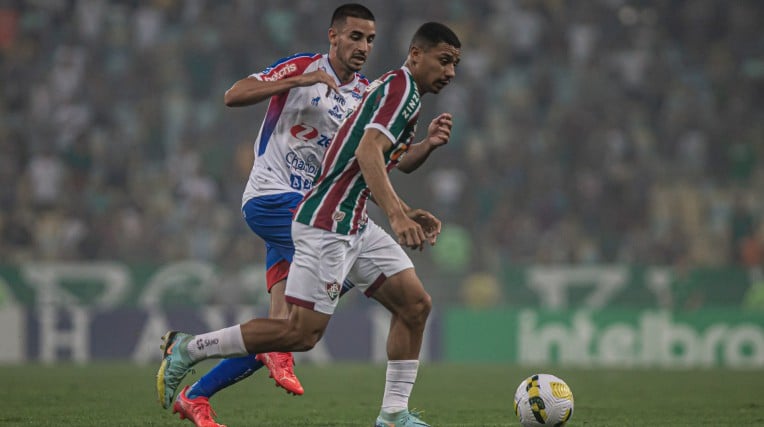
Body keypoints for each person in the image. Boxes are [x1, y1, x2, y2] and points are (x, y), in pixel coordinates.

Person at [156, 21, 461, 427]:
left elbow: (371, 161)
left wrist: (406, 201)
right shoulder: (383, 86)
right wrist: (396, 214)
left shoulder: (375, 91)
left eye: (370, 39)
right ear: (415, 54)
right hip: (312, 212)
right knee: (298, 332)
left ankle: (393, 415)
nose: (451, 73)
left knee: (414, 305)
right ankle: (190, 348)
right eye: (444, 61)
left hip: (347, 218)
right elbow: (368, 151)